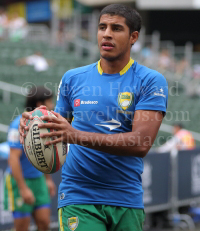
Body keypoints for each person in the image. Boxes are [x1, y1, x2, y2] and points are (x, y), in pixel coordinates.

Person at [19, 4, 168, 231]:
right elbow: (57, 129)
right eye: (102, 27)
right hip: (78, 196)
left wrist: (75, 135)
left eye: (116, 28)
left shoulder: (150, 81)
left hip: (126, 197)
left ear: (133, 37)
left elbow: (140, 143)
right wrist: (33, 125)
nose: (106, 33)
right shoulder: (72, 78)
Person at [4, 86, 56, 231]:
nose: (52, 105)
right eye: (50, 101)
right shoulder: (18, 125)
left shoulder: (46, 124)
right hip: (19, 182)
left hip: (39, 180)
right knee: (22, 228)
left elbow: (44, 156)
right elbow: (13, 159)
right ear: (40, 104)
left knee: (44, 223)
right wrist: (23, 188)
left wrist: (48, 180)